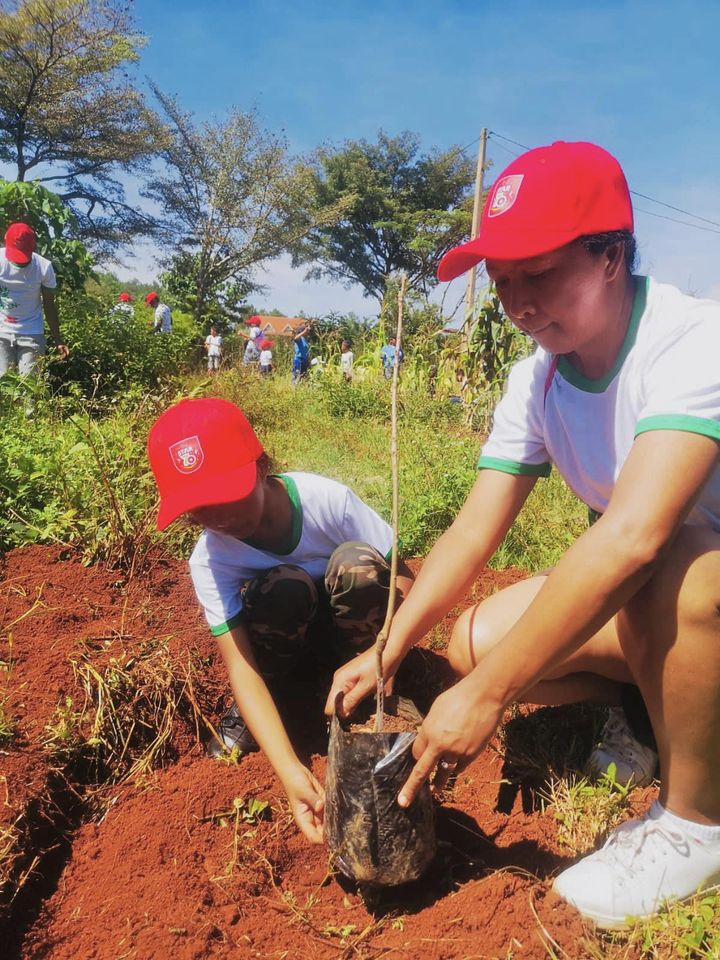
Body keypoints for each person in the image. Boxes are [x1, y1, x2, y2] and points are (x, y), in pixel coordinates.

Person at [326, 140, 720, 928]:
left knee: (667, 558)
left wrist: (491, 695)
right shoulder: (537, 379)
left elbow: (636, 536)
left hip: (693, 583)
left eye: (538, 272)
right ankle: (651, 716)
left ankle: (696, 825)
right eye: (502, 283)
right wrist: (392, 644)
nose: (518, 302)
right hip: (672, 605)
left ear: (610, 256)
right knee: (472, 640)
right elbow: (475, 528)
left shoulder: (692, 340)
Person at [147, 397, 413, 843]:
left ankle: (374, 692)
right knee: (284, 586)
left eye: (223, 495)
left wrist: (389, 653)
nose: (216, 517)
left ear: (260, 465)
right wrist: (290, 770)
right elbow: (241, 667)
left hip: (358, 642)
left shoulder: (326, 502)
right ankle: (284, 697)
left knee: (357, 565)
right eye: (197, 508)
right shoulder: (210, 560)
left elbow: (404, 579)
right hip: (287, 644)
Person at [0, 222, 68, 378]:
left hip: (31, 333)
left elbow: (49, 304)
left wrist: (58, 340)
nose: (20, 261)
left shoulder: (44, 267)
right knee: (3, 385)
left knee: (30, 388)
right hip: (1, 332)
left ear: (34, 247)